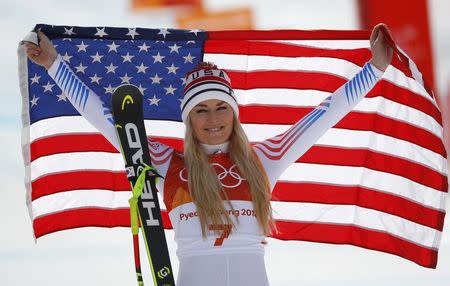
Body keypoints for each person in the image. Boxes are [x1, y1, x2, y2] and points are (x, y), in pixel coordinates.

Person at [24, 23, 393, 286]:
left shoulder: (265, 157)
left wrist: (375, 69)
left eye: (221, 107)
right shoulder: (168, 163)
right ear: (188, 119)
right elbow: (106, 118)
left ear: (234, 112)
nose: (213, 119)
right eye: (201, 110)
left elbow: (324, 115)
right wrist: (54, 64)